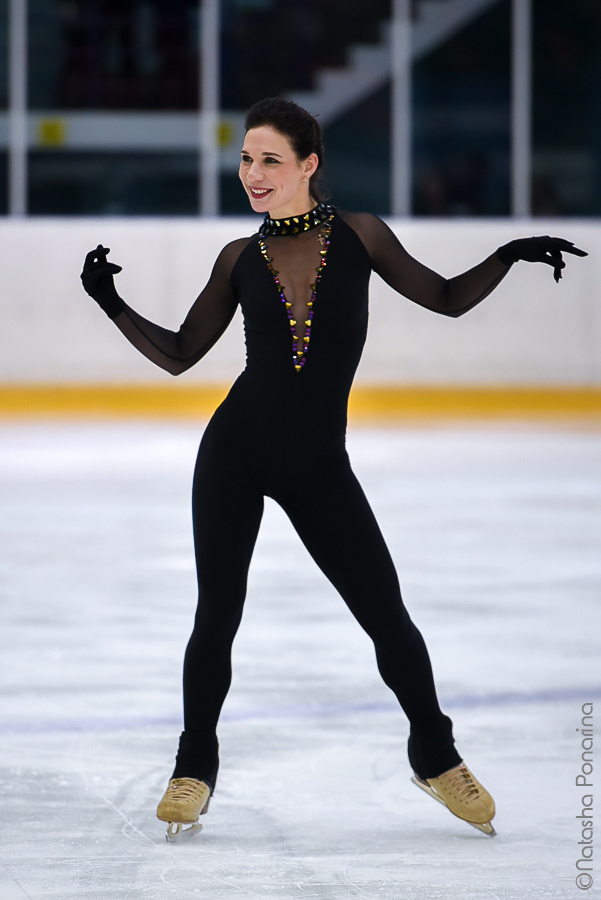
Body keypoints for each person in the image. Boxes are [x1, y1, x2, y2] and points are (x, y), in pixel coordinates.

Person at [81, 97, 587, 841]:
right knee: (216, 616)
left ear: (308, 164)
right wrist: (110, 303)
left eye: (270, 160)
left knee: (386, 616)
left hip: (317, 463)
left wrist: (505, 256)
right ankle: (194, 768)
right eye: (247, 159)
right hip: (234, 451)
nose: (253, 174)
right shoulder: (238, 259)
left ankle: (434, 754)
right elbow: (182, 353)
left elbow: (444, 299)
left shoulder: (360, 236)